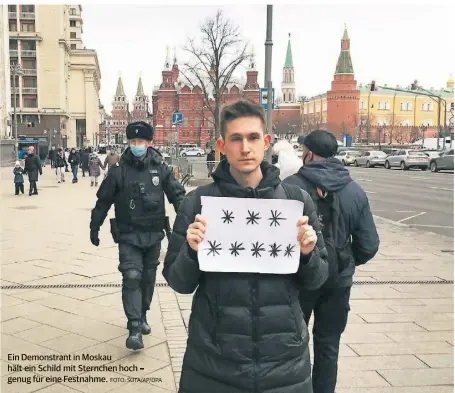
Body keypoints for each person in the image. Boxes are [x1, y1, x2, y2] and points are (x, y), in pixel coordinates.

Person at [163, 100, 329, 393]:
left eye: (253, 137)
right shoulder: (198, 203)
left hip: (283, 360)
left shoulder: (297, 201)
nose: (245, 147)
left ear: (266, 142)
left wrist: (308, 255)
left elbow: (317, 279)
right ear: (221, 145)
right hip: (214, 362)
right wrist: (191, 250)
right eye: (236, 139)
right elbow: (178, 282)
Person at [283, 130, 380, 393]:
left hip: (298, 280)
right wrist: (344, 261)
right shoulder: (354, 190)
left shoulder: (290, 187)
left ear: (309, 153)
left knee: (293, 347)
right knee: (328, 347)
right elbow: (369, 245)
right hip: (338, 283)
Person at [89, 121, 186, 350]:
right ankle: (134, 327)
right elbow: (103, 201)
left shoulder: (161, 168)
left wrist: (187, 217)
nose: (137, 145)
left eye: (141, 141)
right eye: (133, 142)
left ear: (149, 143)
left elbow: (178, 195)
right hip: (129, 235)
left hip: (153, 235)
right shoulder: (119, 171)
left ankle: (142, 315)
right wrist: (94, 226)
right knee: (132, 275)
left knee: (148, 280)